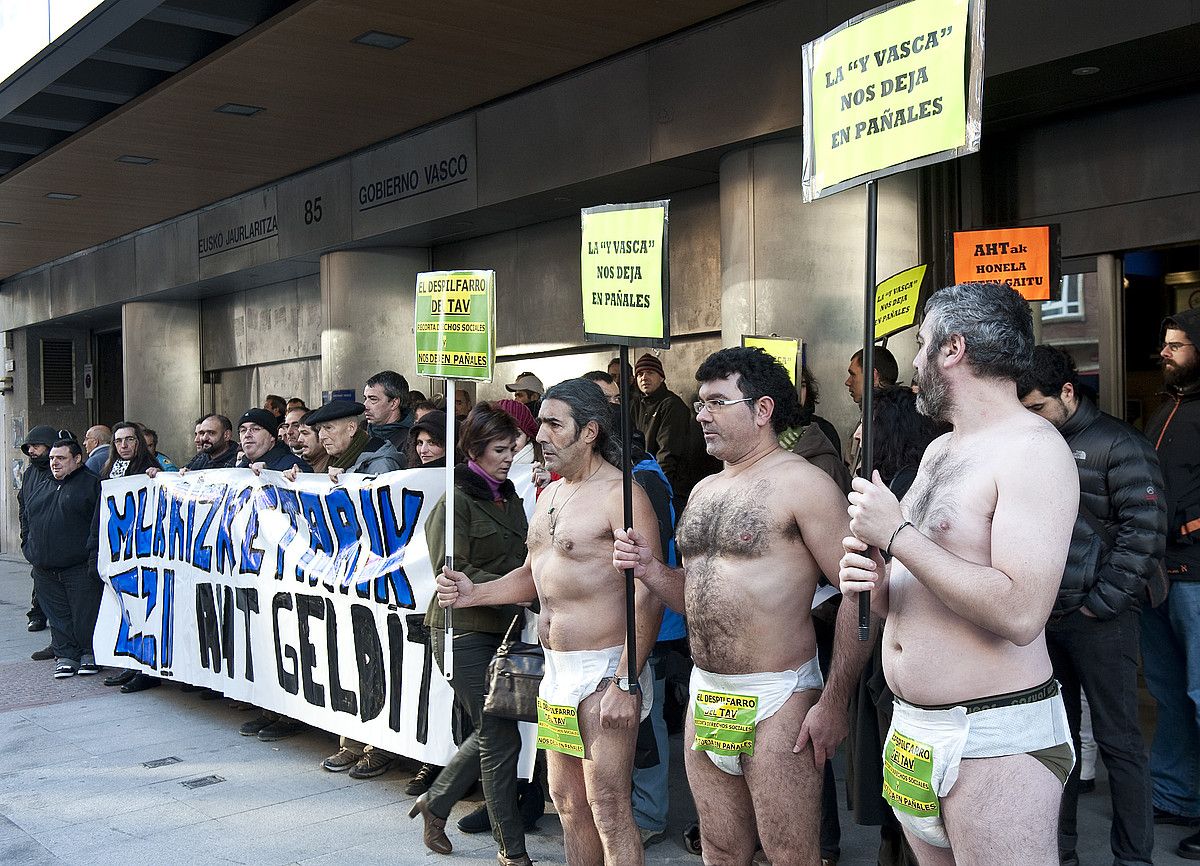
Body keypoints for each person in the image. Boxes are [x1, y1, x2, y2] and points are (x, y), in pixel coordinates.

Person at [838, 282, 1079, 864]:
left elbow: (1020, 612)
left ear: (954, 349)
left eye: (922, 346)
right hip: (914, 729)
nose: (914, 363)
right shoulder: (940, 451)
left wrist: (897, 536)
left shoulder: (1033, 449)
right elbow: (926, 582)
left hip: (992, 736)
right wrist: (875, 578)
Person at [613, 346, 861, 865]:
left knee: (789, 854)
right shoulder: (703, 490)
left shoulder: (805, 484)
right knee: (721, 849)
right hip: (709, 695)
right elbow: (702, 599)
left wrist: (835, 702)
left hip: (778, 695)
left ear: (763, 409)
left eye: (717, 402)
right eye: (700, 402)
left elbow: (861, 597)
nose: (701, 415)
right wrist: (652, 570)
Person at [438, 378, 663, 866]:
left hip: (606, 671)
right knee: (566, 805)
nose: (538, 435)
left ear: (589, 432)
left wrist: (626, 678)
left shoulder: (623, 495)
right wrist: (476, 593)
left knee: (608, 807)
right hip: (556, 672)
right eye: (540, 422)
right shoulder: (549, 495)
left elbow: (647, 592)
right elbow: (533, 575)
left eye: (553, 424)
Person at [1016, 344, 1163, 866]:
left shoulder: (1120, 444)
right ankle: (1062, 853)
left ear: (1068, 394)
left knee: (1119, 742)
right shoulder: (1032, 444)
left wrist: (1099, 606)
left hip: (1102, 619)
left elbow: (1144, 537)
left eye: (1036, 407)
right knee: (1058, 745)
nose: (1029, 419)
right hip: (1044, 617)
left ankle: (1134, 858)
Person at [412, 404, 539, 865]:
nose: (509, 457)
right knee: (499, 734)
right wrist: (518, 592)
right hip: (460, 629)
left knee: (496, 727)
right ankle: (513, 850)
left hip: (504, 625)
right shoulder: (454, 499)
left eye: (513, 448)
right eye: (500, 449)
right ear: (475, 449)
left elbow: (528, 558)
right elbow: (453, 572)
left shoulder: (511, 495)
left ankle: (438, 801)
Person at [846, 385, 944, 866]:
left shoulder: (901, 492)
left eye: (867, 422)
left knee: (909, 804)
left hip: (901, 654)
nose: (858, 432)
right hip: (891, 651)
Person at [1142, 307, 1200, 858]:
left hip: (1198, 577)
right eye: (1166, 343)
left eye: (1177, 345)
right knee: (1169, 693)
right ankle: (1179, 796)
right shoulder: (1166, 408)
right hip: (1159, 575)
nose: (1166, 352)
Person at [25, 439, 103, 679]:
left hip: (78, 566)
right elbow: (27, 516)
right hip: (45, 568)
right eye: (51, 459)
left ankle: (89, 654)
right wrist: (28, 547)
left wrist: (92, 558)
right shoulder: (44, 484)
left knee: (84, 614)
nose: (54, 463)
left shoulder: (92, 485)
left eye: (61, 458)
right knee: (58, 617)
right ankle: (66, 656)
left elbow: (98, 525)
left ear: (77, 459)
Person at [101, 421, 168, 693]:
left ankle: (147, 671)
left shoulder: (151, 469)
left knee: (144, 610)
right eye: (118, 441)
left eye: (129, 440)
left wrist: (157, 477)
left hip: (144, 552)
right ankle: (131, 664)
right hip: (118, 551)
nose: (124, 446)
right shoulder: (110, 470)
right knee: (124, 610)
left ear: (139, 442)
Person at [631, 352, 714, 510]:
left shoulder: (672, 405)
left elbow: (667, 454)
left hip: (669, 489)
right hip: (641, 487)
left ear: (661, 377)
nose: (644, 378)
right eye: (640, 374)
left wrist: (657, 490)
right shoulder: (633, 406)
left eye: (650, 373)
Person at [18, 425, 61, 637]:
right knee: (39, 576)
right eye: (29, 447)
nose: (32, 451)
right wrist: (25, 537)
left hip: (58, 537)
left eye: (36, 446)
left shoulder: (59, 472)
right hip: (36, 537)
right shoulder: (29, 474)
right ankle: (37, 613)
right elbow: (23, 506)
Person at [304, 400, 403, 478]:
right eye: (319, 429)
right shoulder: (333, 459)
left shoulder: (380, 464)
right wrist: (299, 478)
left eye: (328, 428)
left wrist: (344, 481)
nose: (321, 436)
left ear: (351, 428)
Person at [845, 345, 899, 471]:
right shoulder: (872, 415)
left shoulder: (888, 423)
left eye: (853, 374)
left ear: (873, 376)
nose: (847, 382)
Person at [235, 408, 309, 473]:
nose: (247, 435)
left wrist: (269, 475)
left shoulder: (294, 467)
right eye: (243, 430)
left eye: (255, 429)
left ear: (272, 436)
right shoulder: (239, 469)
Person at [363, 370, 414, 456]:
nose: (365, 406)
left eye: (373, 399)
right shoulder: (361, 436)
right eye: (365, 398)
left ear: (394, 403)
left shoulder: (412, 440)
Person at [496, 398, 539, 464]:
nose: (508, 442)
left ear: (528, 437)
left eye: (516, 434)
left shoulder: (537, 471)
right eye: (500, 433)